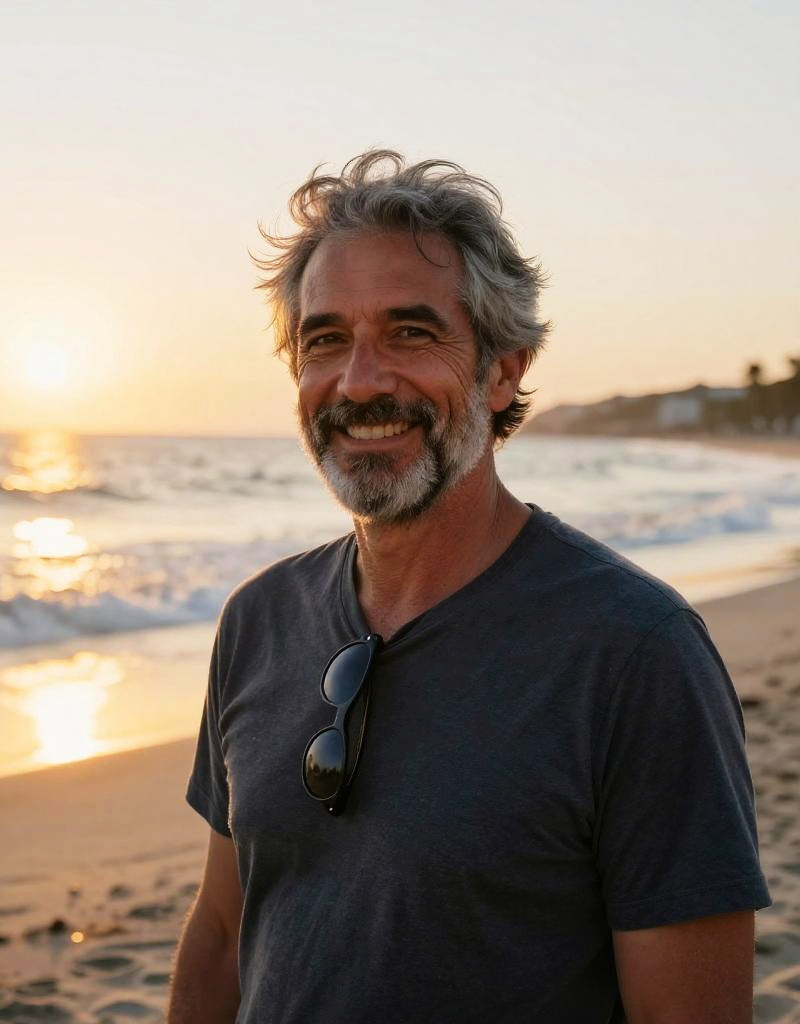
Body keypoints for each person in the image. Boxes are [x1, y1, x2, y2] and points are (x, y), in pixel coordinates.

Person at [168, 151, 770, 1023]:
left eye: (411, 334)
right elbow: (225, 928)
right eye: (324, 340)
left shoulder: (635, 653)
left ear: (502, 370)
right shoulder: (258, 621)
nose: (361, 380)